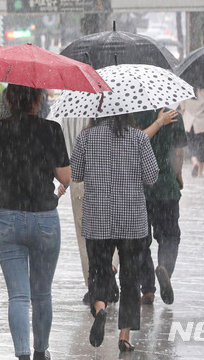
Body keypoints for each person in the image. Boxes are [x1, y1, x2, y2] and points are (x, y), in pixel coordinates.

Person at [58, 109, 177, 306]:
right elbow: (150, 177)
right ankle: (125, 331)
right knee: (130, 273)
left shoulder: (80, 125)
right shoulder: (136, 135)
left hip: (92, 197)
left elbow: (76, 174)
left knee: (91, 249)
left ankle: (99, 300)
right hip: (129, 208)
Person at [0, 84, 70, 360]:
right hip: (44, 218)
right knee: (42, 294)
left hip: (8, 218)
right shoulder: (51, 130)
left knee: (18, 296)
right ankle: (40, 351)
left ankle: (22, 354)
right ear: (38, 99)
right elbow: (65, 177)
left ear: (10, 99)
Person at [69, 113, 159, 352]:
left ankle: (100, 309)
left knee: (99, 269)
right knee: (130, 278)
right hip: (132, 220)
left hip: (97, 217)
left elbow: (75, 175)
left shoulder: (86, 137)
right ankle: (124, 336)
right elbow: (151, 177)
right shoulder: (139, 138)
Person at [133, 108, 187, 306]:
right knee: (170, 235)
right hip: (166, 186)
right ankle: (164, 268)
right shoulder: (175, 116)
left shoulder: (133, 116)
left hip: (141, 187)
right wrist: (178, 175)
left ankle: (147, 289)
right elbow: (178, 153)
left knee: (141, 240)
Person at [182, 88, 204, 178]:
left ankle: (194, 161)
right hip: (202, 123)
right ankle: (200, 173)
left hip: (189, 123)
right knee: (203, 147)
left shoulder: (185, 93)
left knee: (191, 144)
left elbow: (183, 110)